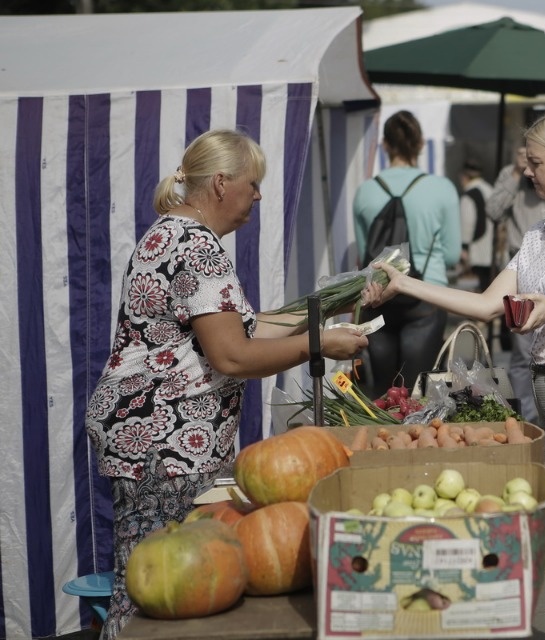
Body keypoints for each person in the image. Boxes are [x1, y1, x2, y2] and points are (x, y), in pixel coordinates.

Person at [84, 129, 371, 640]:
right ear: (221, 184)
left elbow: (243, 326)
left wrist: (325, 319)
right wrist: (318, 346)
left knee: (160, 580)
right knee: (159, 590)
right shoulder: (197, 247)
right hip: (165, 440)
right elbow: (234, 354)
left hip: (151, 434)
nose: (258, 196)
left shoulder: (173, 233)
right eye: (253, 183)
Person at [376, 108, 545, 640]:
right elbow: (482, 305)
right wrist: (402, 284)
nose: (526, 171)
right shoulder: (542, 233)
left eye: (536, 162)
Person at [353, 110, 461, 398]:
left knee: (384, 394)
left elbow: (364, 256)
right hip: (427, 298)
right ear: (420, 144)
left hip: (378, 299)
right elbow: (451, 255)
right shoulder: (442, 189)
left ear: (385, 145)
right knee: (418, 394)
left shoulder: (365, 192)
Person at [485, 144, 545, 423]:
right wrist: (515, 172)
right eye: (526, 157)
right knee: (523, 349)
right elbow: (493, 210)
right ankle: (527, 416)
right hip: (520, 264)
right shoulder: (512, 174)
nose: (530, 168)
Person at [458, 158, 495, 291]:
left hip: (477, 251)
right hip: (492, 250)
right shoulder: (490, 189)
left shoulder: (469, 194)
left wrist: (464, 247)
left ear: (464, 176)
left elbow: (467, 223)